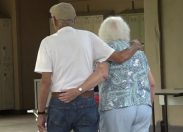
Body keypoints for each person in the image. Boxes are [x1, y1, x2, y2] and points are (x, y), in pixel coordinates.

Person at [34, 2, 142, 132]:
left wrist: (40, 114)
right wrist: (135, 46)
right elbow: (120, 58)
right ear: (74, 20)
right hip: (86, 101)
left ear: (55, 20)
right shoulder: (88, 37)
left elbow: (45, 82)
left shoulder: (47, 42)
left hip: (60, 102)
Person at [97, 16, 156, 132]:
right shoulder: (139, 53)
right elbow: (152, 84)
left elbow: (100, 75)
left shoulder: (105, 51)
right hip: (143, 106)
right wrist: (146, 102)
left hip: (116, 106)